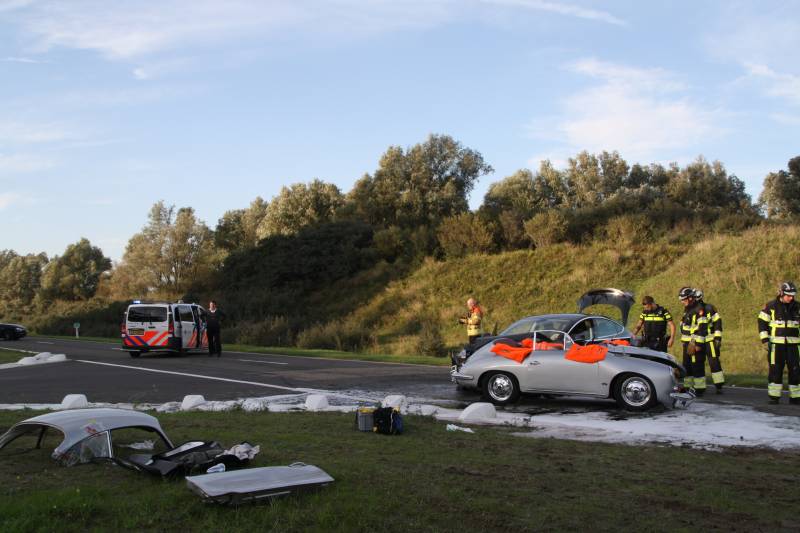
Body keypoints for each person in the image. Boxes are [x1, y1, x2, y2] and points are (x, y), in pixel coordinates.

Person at [758, 281, 800, 404]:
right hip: (776, 346)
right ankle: (774, 397)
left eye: (793, 295)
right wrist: (765, 340)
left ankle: (795, 397)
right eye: (788, 295)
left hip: (794, 346)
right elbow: (761, 322)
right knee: (776, 370)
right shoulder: (771, 306)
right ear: (781, 293)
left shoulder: (798, 307)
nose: (791, 298)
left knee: (796, 370)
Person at [678, 286, 711, 396]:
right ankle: (688, 387)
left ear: (690, 298)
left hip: (695, 343)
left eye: (684, 299)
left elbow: (702, 328)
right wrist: (684, 340)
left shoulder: (699, 310)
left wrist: (698, 344)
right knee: (687, 366)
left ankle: (699, 389)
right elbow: (685, 326)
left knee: (697, 366)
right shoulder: (688, 309)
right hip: (687, 343)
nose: (682, 302)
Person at [694, 288, 725, 393]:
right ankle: (700, 388)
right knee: (698, 364)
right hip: (698, 341)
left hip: (710, 340)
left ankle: (719, 386)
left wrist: (717, 338)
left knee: (714, 362)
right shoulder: (692, 311)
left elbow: (717, 323)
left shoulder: (710, 308)